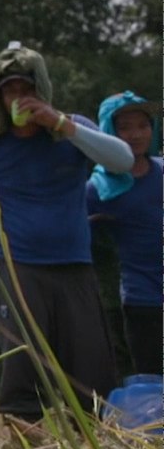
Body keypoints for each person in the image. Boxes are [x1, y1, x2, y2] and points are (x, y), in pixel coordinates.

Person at [0, 43, 132, 427]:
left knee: (90, 369)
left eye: (25, 89)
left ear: (42, 90)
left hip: (75, 268)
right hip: (20, 270)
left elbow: (123, 160)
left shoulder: (73, 130)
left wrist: (62, 125)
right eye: (9, 91)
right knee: (22, 364)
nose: (18, 99)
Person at [86, 90, 162, 377]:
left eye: (143, 125)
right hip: (143, 302)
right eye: (125, 127)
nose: (136, 134)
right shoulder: (99, 189)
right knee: (151, 381)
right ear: (108, 133)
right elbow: (71, 224)